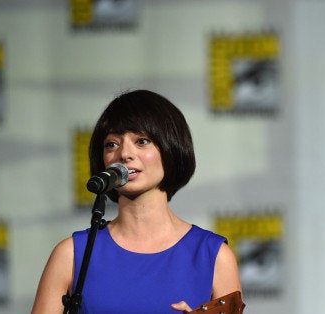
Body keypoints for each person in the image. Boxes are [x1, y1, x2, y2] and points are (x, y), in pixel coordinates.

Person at [32, 89, 242, 313]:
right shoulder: (72, 254)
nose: (124, 154)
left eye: (142, 141)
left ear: (172, 148)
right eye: (111, 144)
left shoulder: (214, 256)